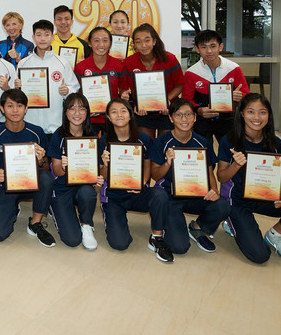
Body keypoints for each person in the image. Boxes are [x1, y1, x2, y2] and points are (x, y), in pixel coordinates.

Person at [217, 94, 281, 264]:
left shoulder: (276, 143)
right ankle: (231, 220)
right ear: (241, 113)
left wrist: (277, 196)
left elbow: (275, 175)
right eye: (251, 111)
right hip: (237, 201)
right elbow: (221, 177)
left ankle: (274, 236)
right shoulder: (229, 140)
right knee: (260, 255)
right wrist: (235, 165)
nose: (257, 117)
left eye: (262, 112)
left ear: (268, 115)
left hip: (264, 197)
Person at [100, 98, 182, 262]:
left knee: (159, 195)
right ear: (108, 118)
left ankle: (157, 238)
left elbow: (147, 167)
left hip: (137, 192)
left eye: (123, 110)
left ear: (130, 114)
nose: (119, 115)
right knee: (120, 244)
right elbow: (102, 175)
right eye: (114, 112)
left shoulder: (144, 139)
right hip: (113, 196)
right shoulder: (103, 141)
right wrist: (105, 163)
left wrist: (142, 184)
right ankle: (114, 219)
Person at [150, 99, 230, 253]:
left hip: (197, 194)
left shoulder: (202, 141)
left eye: (188, 115)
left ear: (194, 117)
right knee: (179, 247)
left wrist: (214, 190)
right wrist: (167, 163)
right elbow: (155, 174)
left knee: (223, 205)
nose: (184, 119)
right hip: (170, 196)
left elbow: (209, 171)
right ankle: (172, 224)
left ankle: (197, 228)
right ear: (171, 118)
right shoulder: (162, 141)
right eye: (179, 115)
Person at [0, 89, 56, 247]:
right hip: (7, 186)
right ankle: (12, 207)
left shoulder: (37, 132)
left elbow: (45, 167)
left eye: (19, 106)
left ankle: (35, 223)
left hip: (32, 184)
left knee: (46, 178)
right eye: (10, 106)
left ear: (26, 108)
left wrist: (41, 161)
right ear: (2, 109)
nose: (15, 110)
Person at [48, 92, 103, 250]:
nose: (77, 113)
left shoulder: (92, 136)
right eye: (72, 109)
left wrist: (99, 176)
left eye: (81, 109)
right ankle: (54, 207)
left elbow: (96, 168)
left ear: (87, 112)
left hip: (82, 186)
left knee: (88, 192)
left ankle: (86, 224)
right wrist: (64, 168)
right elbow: (57, 171)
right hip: (62, 188)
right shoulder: (58, 136)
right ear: (65, 112)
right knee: (72, 240)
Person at [182, 30, 250, 143]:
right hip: (202, 120)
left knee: (231, 153)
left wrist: (240, 97)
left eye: (213, 46)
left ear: (220, 47)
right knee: (204, 155)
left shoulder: (234, 68)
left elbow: (247, 95)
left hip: (228, 120)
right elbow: (186, 100)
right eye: (203, 47)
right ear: (197, 49)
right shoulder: (191, 73)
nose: (209, 51)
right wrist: (198, 110)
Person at [16, 19, 80, 133]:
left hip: (56, 124)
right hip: (31, 123)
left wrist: (67, 90)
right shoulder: (23, 63)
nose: (42, 39)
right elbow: (16, 93)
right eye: (39, 35)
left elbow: (74, 87)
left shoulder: (62, 62)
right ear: (33, 37)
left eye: (46, 35)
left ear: (52, 37)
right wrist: (16, 87)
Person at [124, 23, 183, 140]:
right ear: (134, 45)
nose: (143, 45)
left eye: (147, 40)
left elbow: (179, 85)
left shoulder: (169, 59)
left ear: (154, 41)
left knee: (165, 148)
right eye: (138, 41)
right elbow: (132, 90)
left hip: (167, 110)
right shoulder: (128, 63)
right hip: (143, 111)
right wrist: (137, 104)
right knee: (146, 146)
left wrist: (167, 100)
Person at [73, 26, 131, 134]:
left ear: (110, 43)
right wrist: (83, 107)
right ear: (89, 43)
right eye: (96, 41)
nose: (101, 45)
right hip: (88, 118)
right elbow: (76, 94)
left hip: (112, 118)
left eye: (105, 40)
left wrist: (124, 96)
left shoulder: (119, 65)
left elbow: (123, 90)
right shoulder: (81, 67)